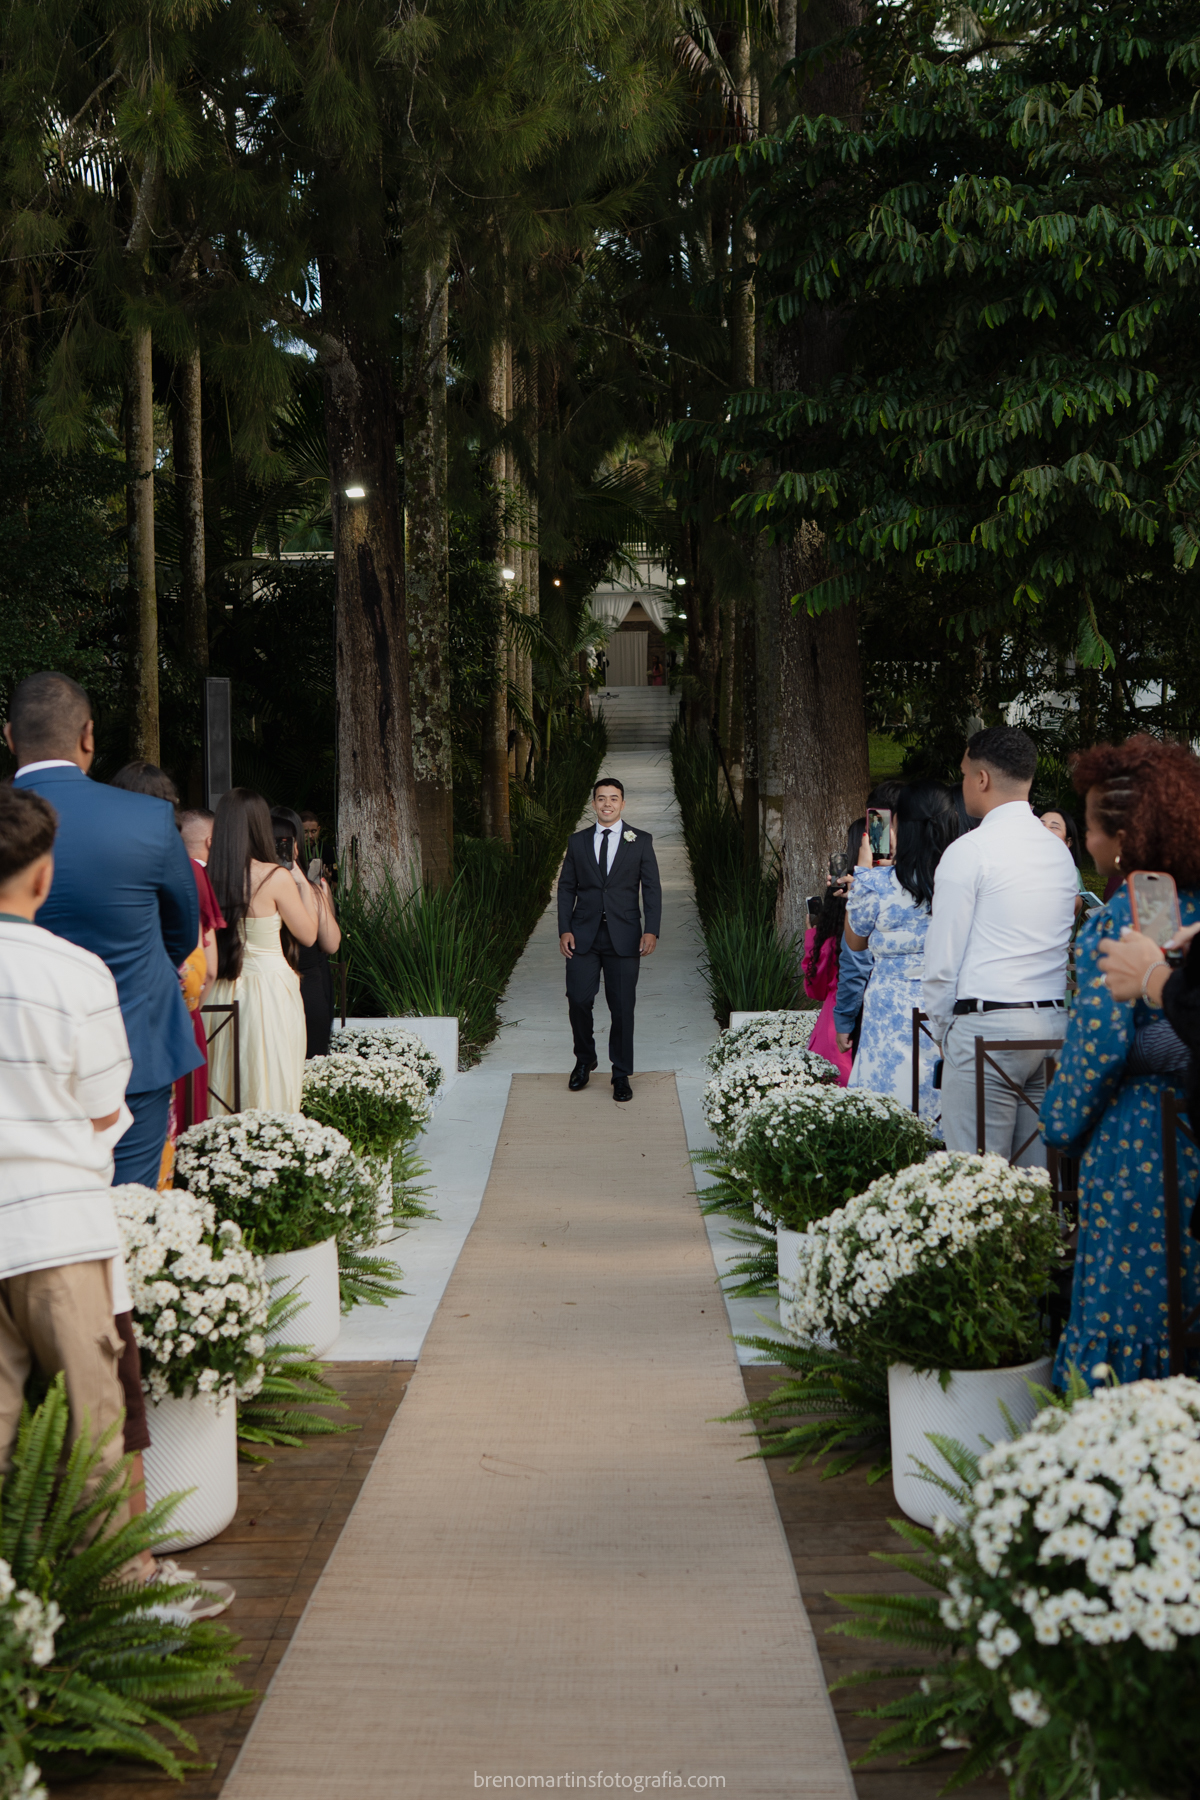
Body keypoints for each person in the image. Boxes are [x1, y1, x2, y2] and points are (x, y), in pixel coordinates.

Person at [1042, 736, 1200, 1385]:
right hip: (1194, 1135)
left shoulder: (1115, 923)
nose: (1084, 840)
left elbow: (1098, 1049)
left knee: (1128, 1305)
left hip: (1137, 1146)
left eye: (1089, 825)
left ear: (1124, 837)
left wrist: (1059, 1123)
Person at [0, 785, 135, 1538]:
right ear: (44, 875)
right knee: (92, 1439)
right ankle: (110, 1612)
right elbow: (104, 1107)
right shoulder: (78, 973)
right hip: (58, 1230)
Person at [6, 672, 202, 1186]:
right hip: (134, 1038)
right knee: (128, 1214)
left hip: (14, 1057)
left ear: (9, 737)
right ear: (88, 735)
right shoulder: (149, 818)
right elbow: (181, 933)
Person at [923, 726, 1077, 1164]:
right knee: (1033, 1184)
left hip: (987, 1026)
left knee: (977, 1183)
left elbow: (942, 958)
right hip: (1050, 1027)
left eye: (965, 772)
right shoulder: (1057, 852)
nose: (964, 781)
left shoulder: (970, 850)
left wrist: (943, 1029)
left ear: (982, 779)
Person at [841, 780, 959, 1115]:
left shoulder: (875, 883)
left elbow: (855, 942)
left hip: (888, 1007)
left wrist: (864, 874)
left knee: (887, 1097)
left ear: (901, 830)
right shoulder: (957, 878)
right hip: (944, 1002)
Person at [206, 788, 320, 1111]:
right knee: (269, 1078)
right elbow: (309, 934)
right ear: (259, 826)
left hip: (220, 991)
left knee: (223, 1082)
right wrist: (301, 881)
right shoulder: (275, 877)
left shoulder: (210, 875)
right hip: (267, 993)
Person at [558, 776, 662, 1102]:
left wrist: (651, 929)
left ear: (622, 803)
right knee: (578, 999)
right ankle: (585, 1058)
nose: (607, 804)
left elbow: (652, 889)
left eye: (613, 798)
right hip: (583, 935)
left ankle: (620, 1074)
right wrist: (565, 928)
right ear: (593, 804)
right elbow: (565, 889)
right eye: (601, 798)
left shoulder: (641, 841)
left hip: (625, 937)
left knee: (622, 1008)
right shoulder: (577, 842)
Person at [272, 806, 341, 1057]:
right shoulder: (274, 884)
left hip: (305, 980)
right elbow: (330, 944)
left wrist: (317, 890)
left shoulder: (311, 884)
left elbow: (331, 942)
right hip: (299, 981)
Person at [1039, 807, 1102, 916]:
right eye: (1040, 824)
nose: (1044, 829)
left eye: (1054, 827)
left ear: (1068, 842)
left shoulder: (1070, 873)